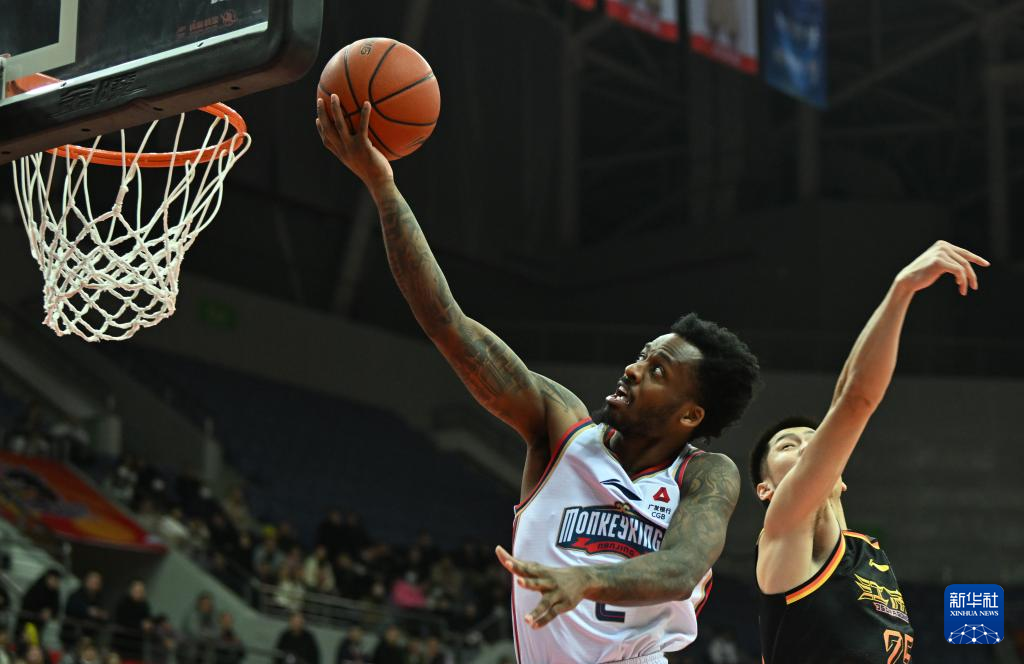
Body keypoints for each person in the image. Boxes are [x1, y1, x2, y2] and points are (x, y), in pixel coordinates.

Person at [317, 98, 760, 663]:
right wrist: (383, 188)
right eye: (641, 356)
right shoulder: (561, 428)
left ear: (691, 414)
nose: (632, 369)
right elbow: (447, 322)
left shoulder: (704, 475)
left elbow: (682, 568)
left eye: (657, 371)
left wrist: (586, 580)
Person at [748, 241, 988, 663]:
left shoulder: (867, 556)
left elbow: (845, 395)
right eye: (787, 446)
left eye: (814, 440)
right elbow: (856, 400)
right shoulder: (784, 530)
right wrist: (902, 289)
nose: (807, 447)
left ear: (840, 476)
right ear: (766, 489)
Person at [61, 571, 109, 649]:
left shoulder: (99, 598)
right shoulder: (76, 594)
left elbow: (104, 615)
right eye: (92, 582)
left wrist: (102, 615)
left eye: (97, 583)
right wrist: (87, 611)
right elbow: (70, 610)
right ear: (86, 581)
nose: (94, 585)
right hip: (72, 634)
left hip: (90, 636)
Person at [112, 580, 153, 661]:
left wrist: (148, 624)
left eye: (140, 591)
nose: (138, 593)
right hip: (121, 643)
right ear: (131, 590)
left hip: (136, 646)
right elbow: (121, 620)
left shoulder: (144, 605)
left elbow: (149, 619)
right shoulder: (123, 602)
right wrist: (140, 624)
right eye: (136, 590)